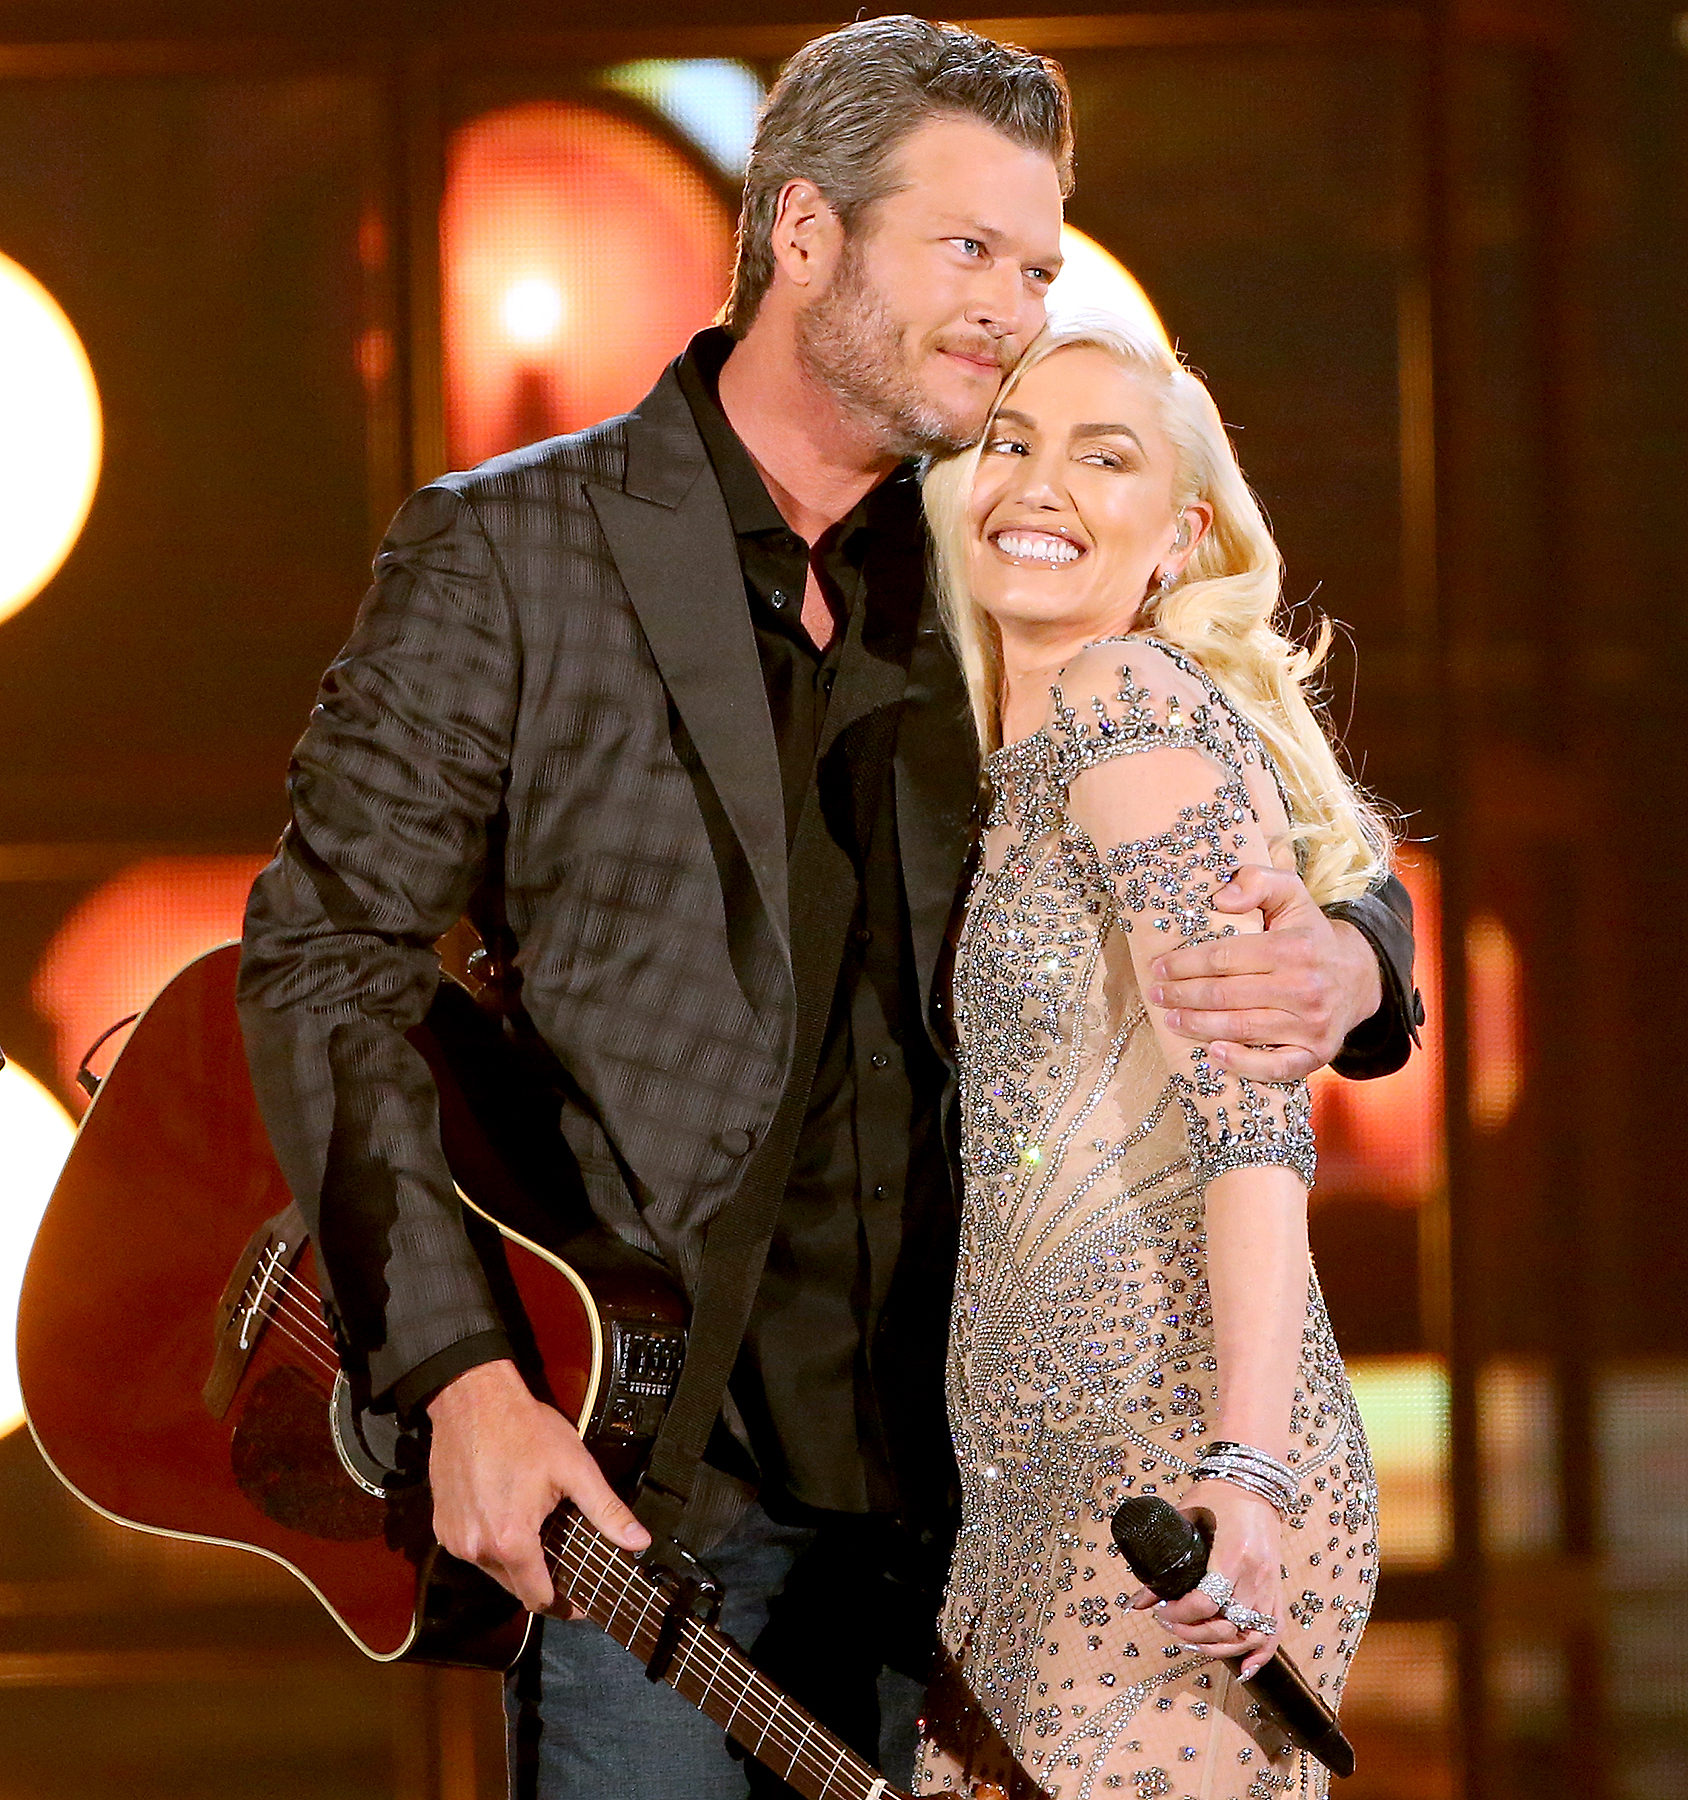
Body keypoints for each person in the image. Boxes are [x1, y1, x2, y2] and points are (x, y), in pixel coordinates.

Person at [237, 19, 1414, 1799]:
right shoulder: (514, 554)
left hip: (1004, 1517)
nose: (1013, 309)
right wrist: (459, 1374)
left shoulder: (1009, 547)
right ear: (804, 232)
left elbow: (1280, 817)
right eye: (969, 250)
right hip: (654, 1494)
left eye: (1037, 267)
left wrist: (1351, 960)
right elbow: (324, 967)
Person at [912, 312, 1384, 1800]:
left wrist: (1246, 1470)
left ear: (1181, 536)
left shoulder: (1124, 705)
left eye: (1102, 457)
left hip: (1171, 1487)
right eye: (1012, 443)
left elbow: (1251, 1117)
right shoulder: (1027, 757)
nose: (1039, 483)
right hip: (1038, 1490)